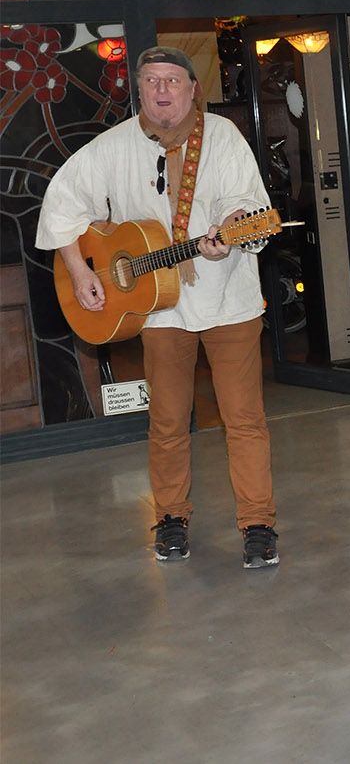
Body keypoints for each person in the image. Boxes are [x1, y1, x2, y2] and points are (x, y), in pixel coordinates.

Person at [37, 46, 279, 568]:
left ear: (193, 89)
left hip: (228, 301)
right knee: (167, 421)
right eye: (151, 80)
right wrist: (80, 271)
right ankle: (171, 518)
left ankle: (258, 524)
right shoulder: (113, 146)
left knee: (244, 419)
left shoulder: (224, 137)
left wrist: (228, 232)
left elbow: (244, 203)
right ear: (139, 90)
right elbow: (61, 200)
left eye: (172, 79)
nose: (162, 89)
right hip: (160, 308)